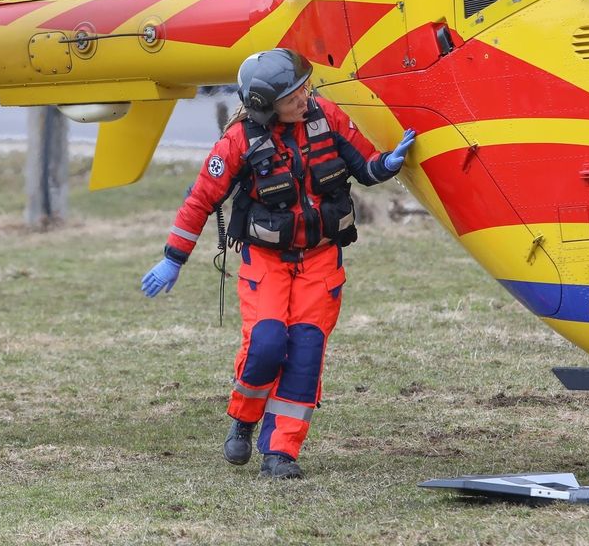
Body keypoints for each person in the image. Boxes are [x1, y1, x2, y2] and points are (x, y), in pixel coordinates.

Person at [139, 48, 416, 479]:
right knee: (267, 343)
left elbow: (364, 165)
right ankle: (244, 420)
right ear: (266, 107)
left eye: (303, 89)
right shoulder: (237, 142)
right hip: (264, 261)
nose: (304, 98)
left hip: (321, 260)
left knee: (305, 352)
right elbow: (200, 201)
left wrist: (388, 164)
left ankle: (281, 452)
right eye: (292, 96)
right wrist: (172, 260)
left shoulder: (326, 117)